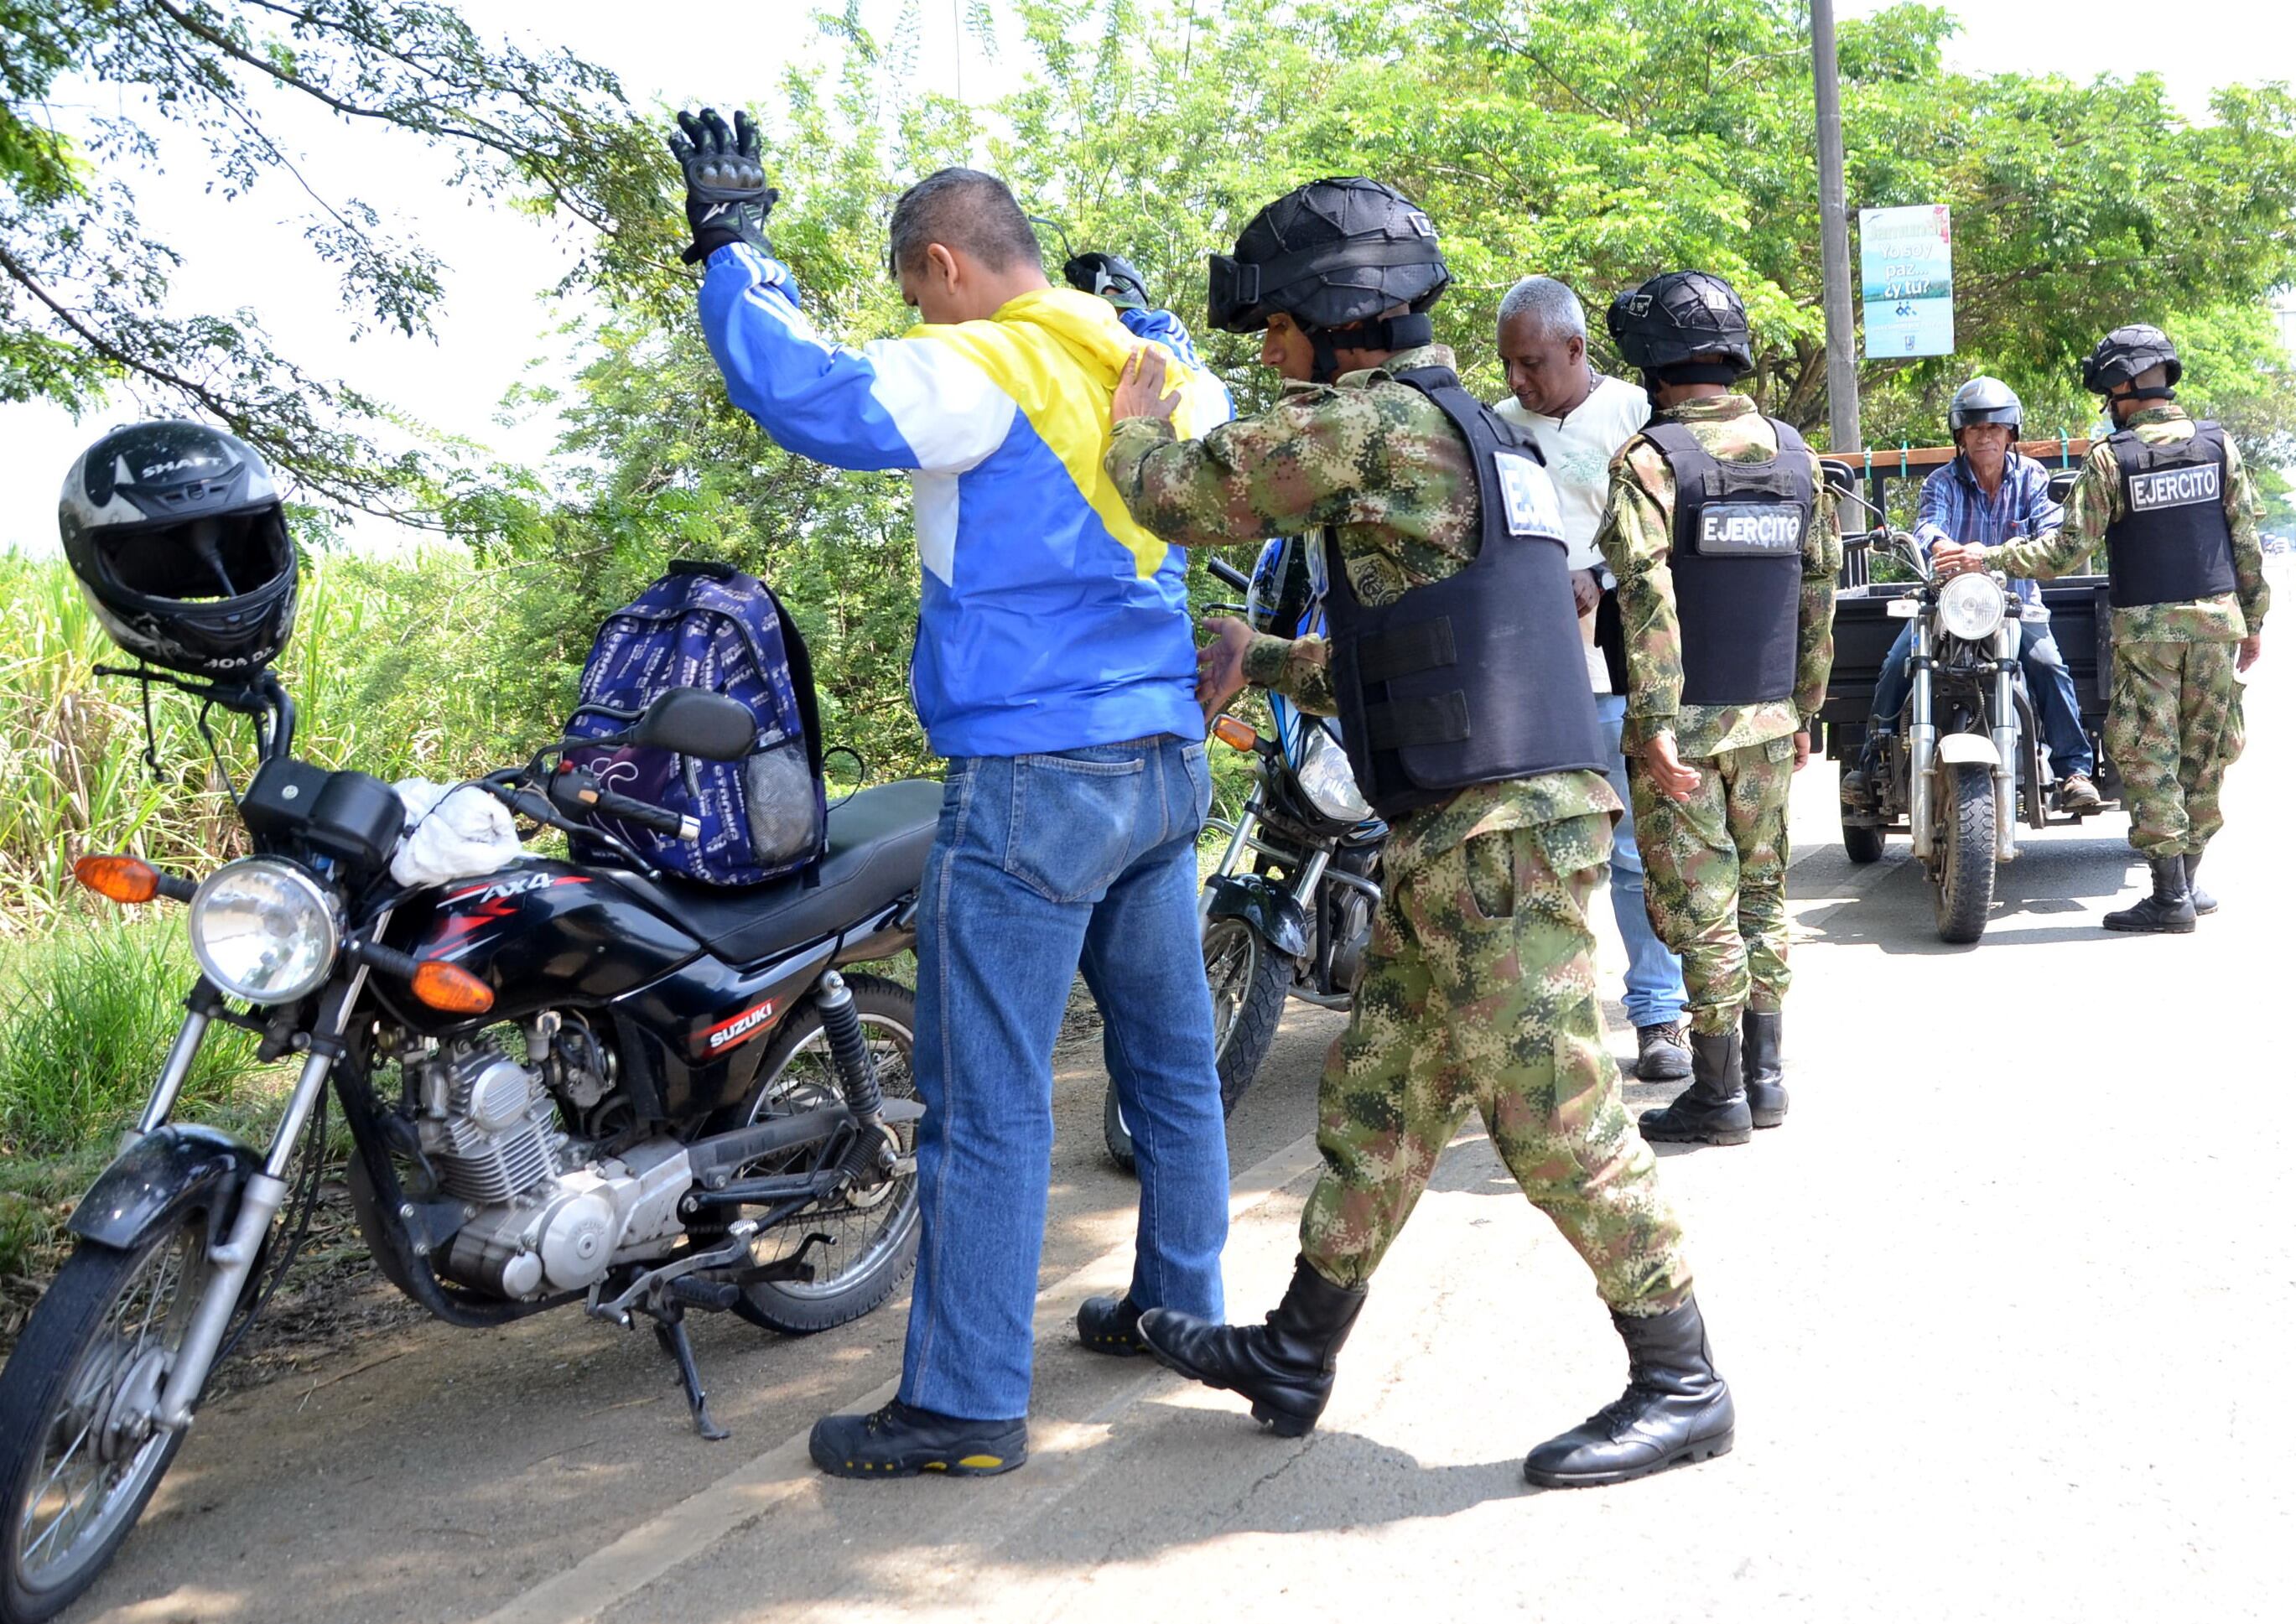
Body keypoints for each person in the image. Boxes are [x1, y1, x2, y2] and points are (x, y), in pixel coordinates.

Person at [1104, 178, 1733, 1490]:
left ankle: (1681, 1380)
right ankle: (1292, 1349)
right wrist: (1265, 655)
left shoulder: (1370, 426)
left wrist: (1129, 424)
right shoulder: (1471, 431)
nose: (1266, 352)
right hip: (1470, 828)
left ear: (1335, 318)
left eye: (1275, 325)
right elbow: (1426, 662)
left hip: (1493, 839)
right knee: (1380, 1098)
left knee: (1553, 1112)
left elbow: (1177, 495)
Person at [665, 108, 1238, 1478]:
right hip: (1162, 764)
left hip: (1038, 774)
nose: (914, 316)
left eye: (912, 291)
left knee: (985, 1095)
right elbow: (1208, 432)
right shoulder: (1148, 357)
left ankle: (968, 1401)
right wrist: (1136, 310)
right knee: (1168, 1060)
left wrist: (735, 252)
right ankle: (1179, 1305)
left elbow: (807, 391)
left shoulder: (973, 364)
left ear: (943, 264)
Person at [1596, 272, 1841, 1146]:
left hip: (1687, 730)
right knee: (1763, 896)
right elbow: (1819, 590)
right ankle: (1765, 1083)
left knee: (1701, 908)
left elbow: (1646, 596)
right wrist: (1806, 705)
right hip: (1770, 718)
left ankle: (1719, 1092)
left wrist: (1653, 719)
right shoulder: (1791, 452)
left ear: (1656, 365)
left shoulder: (1649, 459)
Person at [1933, 324, 2267, 932]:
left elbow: (2064, 551)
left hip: (2149, 635)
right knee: (2206, 754)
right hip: (2218, 625)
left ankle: (2170, 898)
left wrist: (1992, 558)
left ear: (2122, 388)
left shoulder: (2114, 458)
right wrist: (2254, 622)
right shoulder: (2220, 446)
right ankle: (2188, 886)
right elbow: (2246, 545)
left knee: (2150, 755)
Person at [1493, 274, 1692, 1086]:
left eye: (1532, 363)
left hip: (1615, 664)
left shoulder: (1633, 420)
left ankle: (1656, 1012)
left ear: (1576, 351)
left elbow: (1668, 536)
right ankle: (1550, 1025)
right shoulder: (1497, 429)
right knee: (1539, 856)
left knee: (1635, 851)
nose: (1517, 382)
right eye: (1507, 365)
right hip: (1531, 676)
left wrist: (1599, 578)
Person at [1842, 377, 2101, 813]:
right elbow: (1928, 524)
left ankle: (2073, 772)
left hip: (2017, 608)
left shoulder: (2033, 478)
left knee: (2049, 666)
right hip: (1948, 606)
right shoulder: (1942, 481)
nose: (1985, 436)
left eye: (1995, 428)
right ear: (1961, 436)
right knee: (1895, 666)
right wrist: (1940, 545)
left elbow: (2053, 533)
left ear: (2010, 434)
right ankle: (1869, 766)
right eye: (1976, 429)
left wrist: (1992, 557)